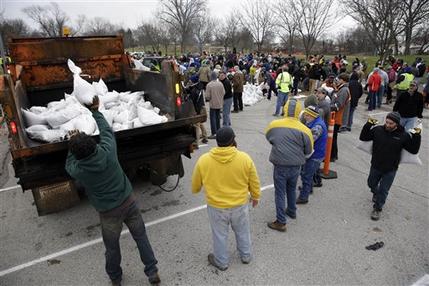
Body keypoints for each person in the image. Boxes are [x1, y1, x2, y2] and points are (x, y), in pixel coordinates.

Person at [65, 96, 160, 286]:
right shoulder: (108, 150)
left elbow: (69, 164)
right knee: (141, 238)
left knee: (112, 247)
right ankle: (152, 272)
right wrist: (95, 111)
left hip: (109, 213)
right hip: (129, 202)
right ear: (94, 145)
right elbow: (107, 130)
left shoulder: (79, 170)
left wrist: (71, 143)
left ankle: (115, 278)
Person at [191, 126, 261, 271]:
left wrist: (198, 189)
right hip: (240, 205)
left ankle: (222, 262)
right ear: (233, 141)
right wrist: (255, 196)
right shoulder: (244, 158)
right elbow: (254, 181)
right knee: (243, 231)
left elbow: (195, 186)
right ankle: (246, 256)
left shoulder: (204, 160)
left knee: (219, 235)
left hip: (216, 207)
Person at [359, 112, 421, 221]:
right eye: (387, 122)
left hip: (391, 169)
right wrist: (368, 124)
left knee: (384, 190)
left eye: (391, 123)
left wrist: (417, 136)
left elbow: (413, 150)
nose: (387, 125)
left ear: (396, 124)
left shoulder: (403, 135)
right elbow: (363, 137)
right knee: (371, 183)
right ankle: (376, 193)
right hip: (376, 165)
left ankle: (377, 208)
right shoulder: (378, 130)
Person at [265, 99, 313, 231]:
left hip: (280, 164)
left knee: (280, 192)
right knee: (291, 188)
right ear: (299, 111)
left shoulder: (274, 125)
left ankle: (281, 221)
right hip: (296, 165)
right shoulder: (305, 130)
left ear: (285, 108)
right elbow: (308, 151)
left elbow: (269, 137)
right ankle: (291, 210)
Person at [297, 106, 327, 204]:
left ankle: (303, 197)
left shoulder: (317, 126)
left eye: (306, 115)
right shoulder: (313, 122)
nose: (305, 117)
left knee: (306, 175)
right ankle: (308, 188)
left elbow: (309, 140)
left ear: (312, 116)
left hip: (315, 155)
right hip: (315, 153)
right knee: (309, 173)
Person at [330, 73, 350, 162]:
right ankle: (333, 154)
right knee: (333, 137)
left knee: (332, 137)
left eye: (339, 79)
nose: (337, 81)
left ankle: (332, 155)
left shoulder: (344, 90)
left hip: (338, 117)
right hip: (336, 116)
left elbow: (339, 104)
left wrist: (328, 107)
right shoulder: (341, 89)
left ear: (342, 80)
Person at [186, 77, 208, 144]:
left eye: (190, 81)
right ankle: (205, 137)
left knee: (196, 125)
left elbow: (192, 101)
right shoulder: (199, 88)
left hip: (196, 109)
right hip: (201, 108)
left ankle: (196, 142)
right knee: (200, 123)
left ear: (193, 82)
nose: (189, 82)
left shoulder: (194, 90)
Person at [205, 71, 225, 139]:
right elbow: (223, 92)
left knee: (212, 118)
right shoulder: (220, 84)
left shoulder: (209, 85)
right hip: (219, 103)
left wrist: (209, 98)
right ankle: (218, 132)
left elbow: (207, 96)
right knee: (217, 118)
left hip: (213, 104)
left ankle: (214, 133)